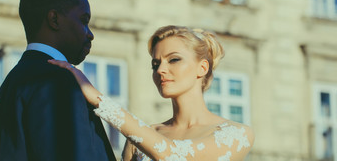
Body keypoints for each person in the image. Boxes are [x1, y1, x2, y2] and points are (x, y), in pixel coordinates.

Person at [49, 25, 255, 161]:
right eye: (155, 64)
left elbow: (171, 155)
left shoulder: (236, 134)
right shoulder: (137, 140)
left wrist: (97, 98)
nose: (160, 70)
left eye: (174, 59)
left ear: (202, 68)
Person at [0, 0, 116, 161]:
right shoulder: (57, 80)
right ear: (54, 19)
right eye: (84, 21)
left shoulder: (13, 81)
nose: (90, 33)